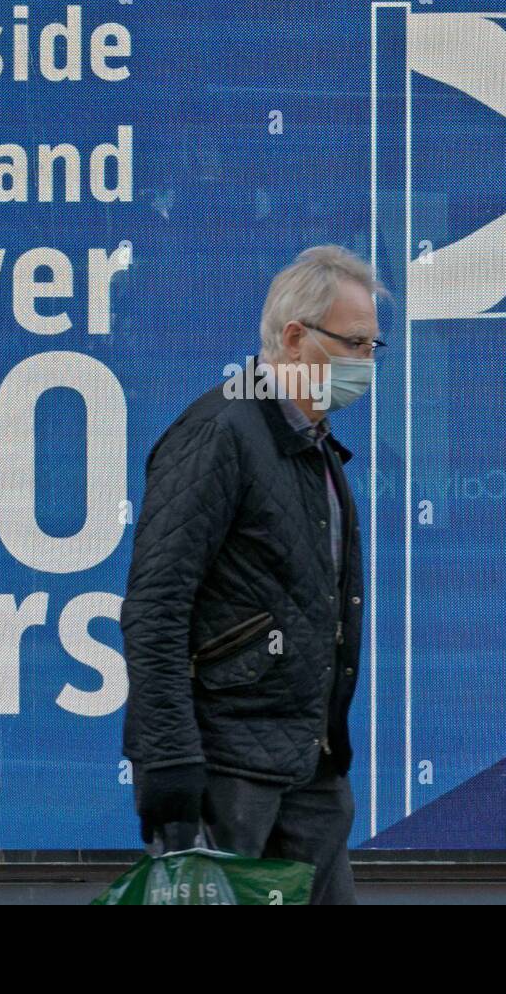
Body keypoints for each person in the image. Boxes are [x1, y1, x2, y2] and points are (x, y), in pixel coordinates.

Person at [120, 244, 389, 905]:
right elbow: (156, 603)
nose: (364, 363)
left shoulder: (314, 445)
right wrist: (169, 763)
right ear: (295, 338)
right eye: (353, 343)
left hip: (309, 767)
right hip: (227, 773)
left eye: (372, 347)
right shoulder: (219, 433)